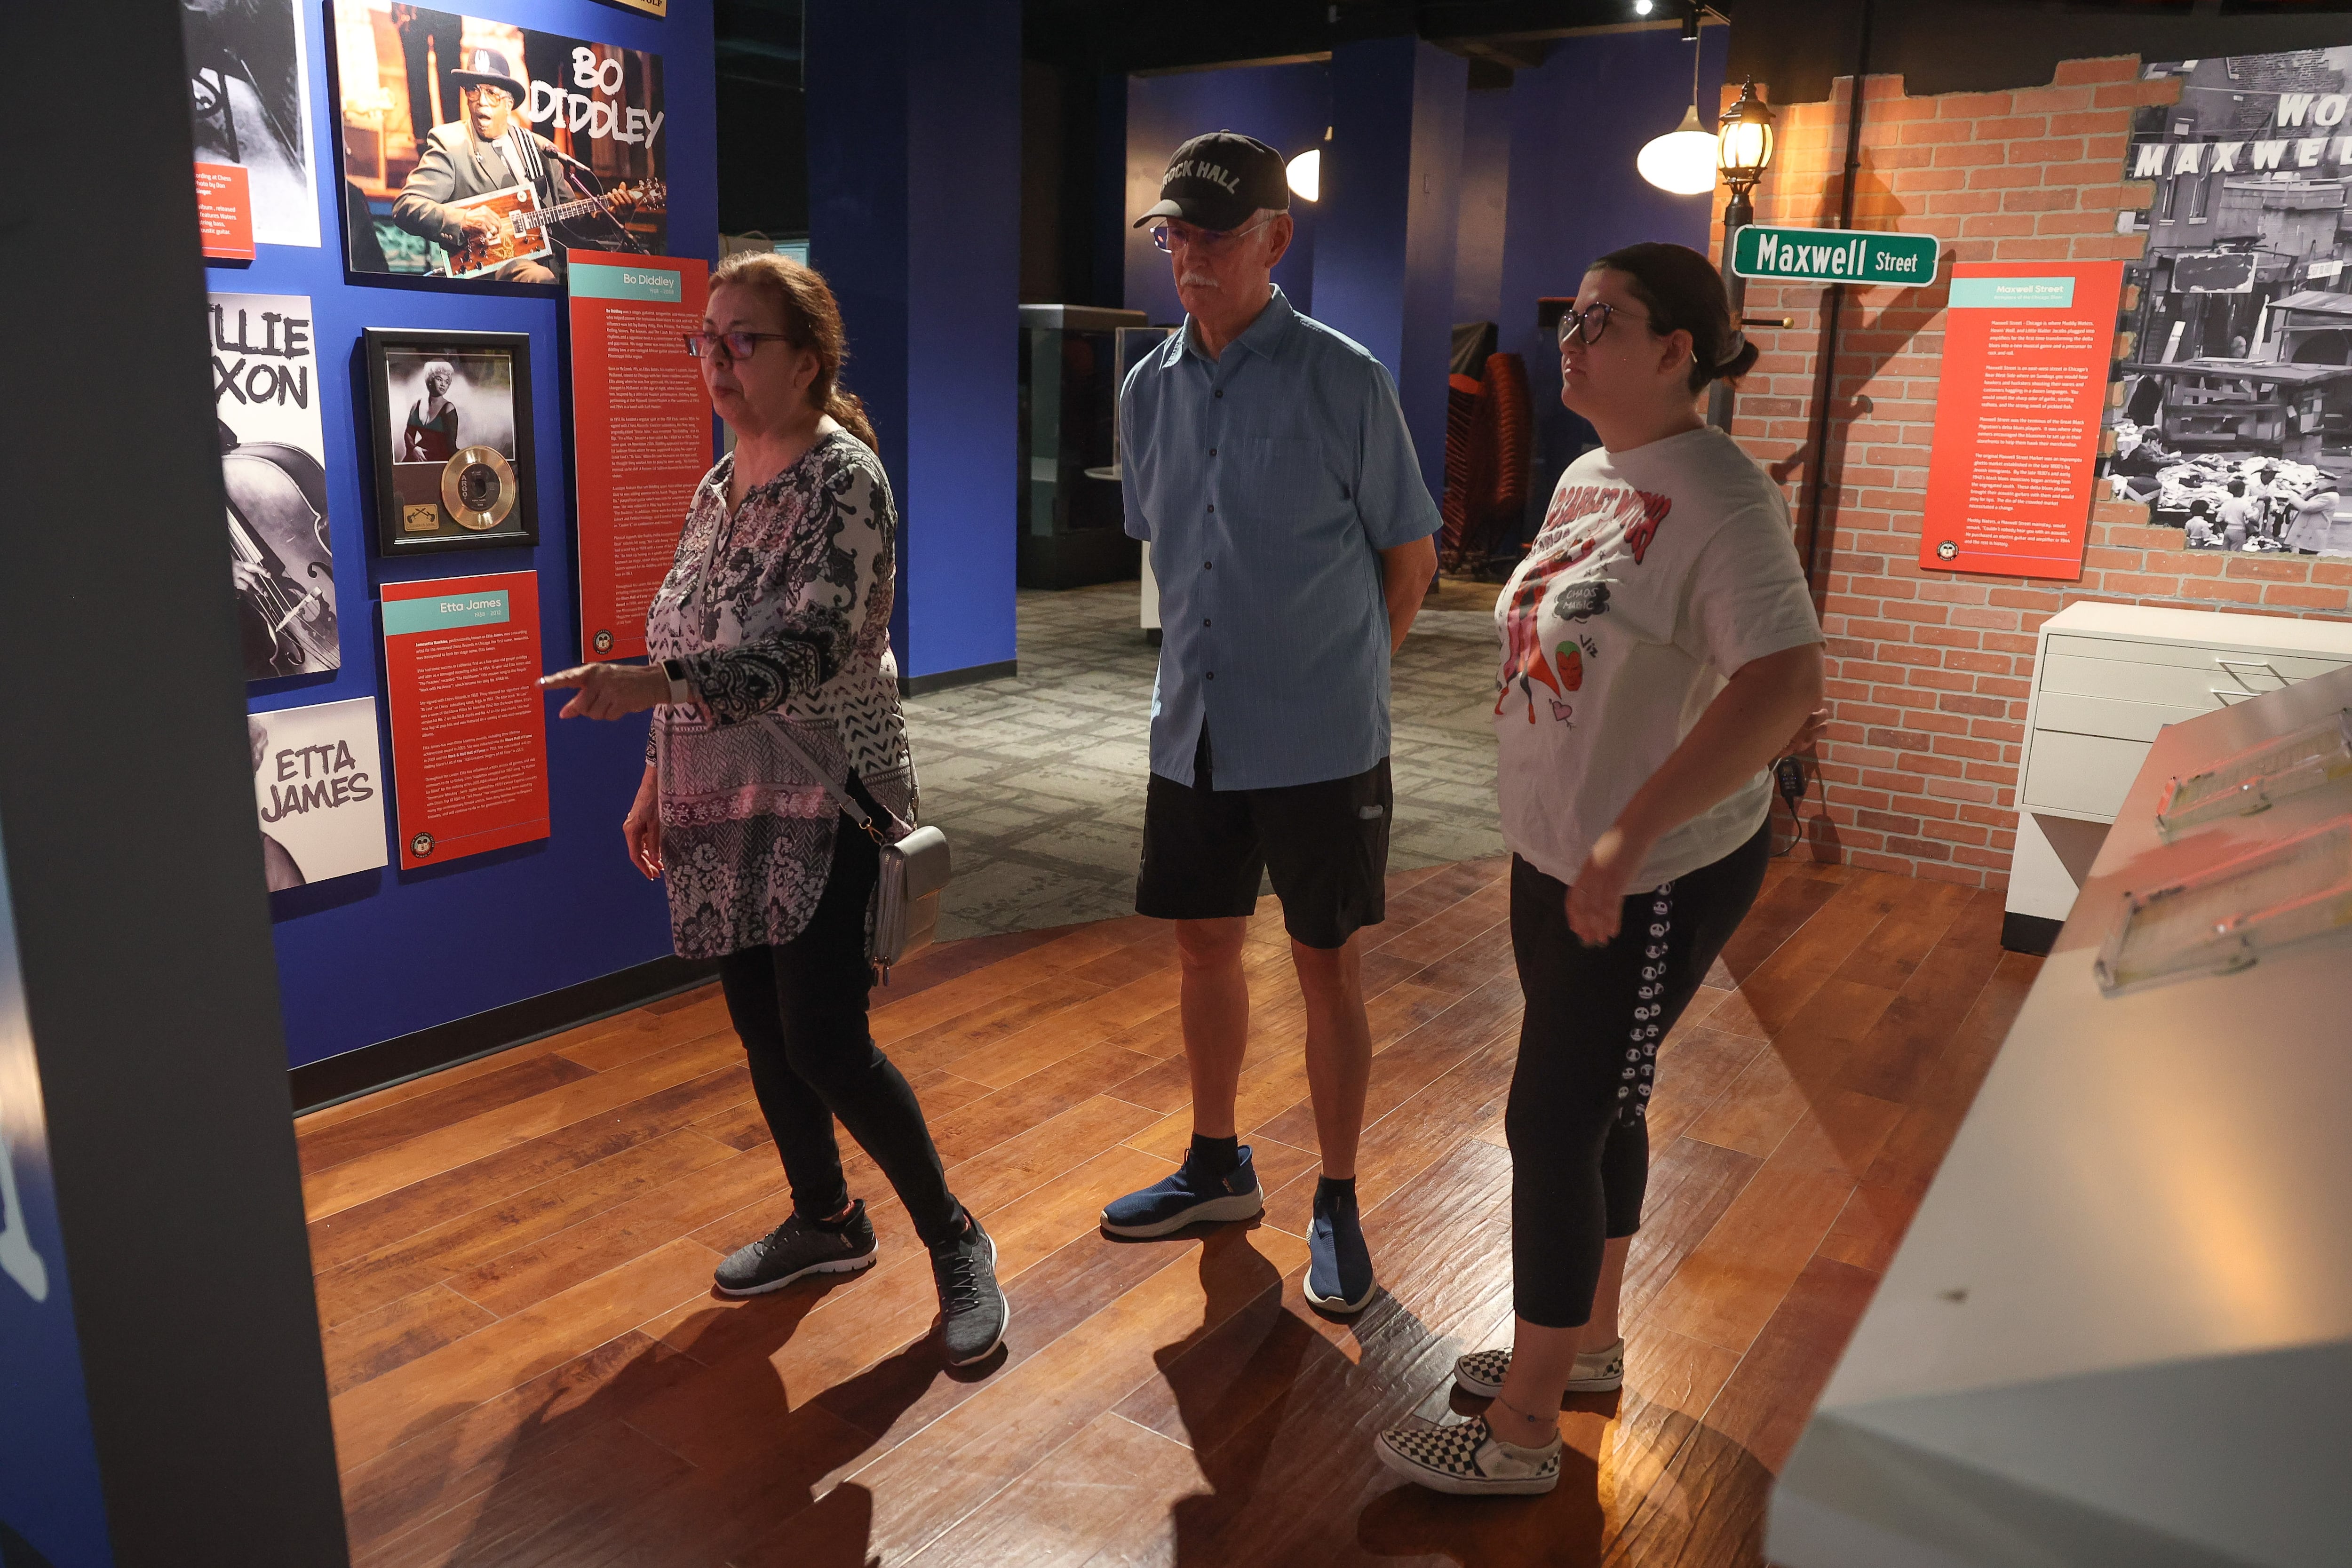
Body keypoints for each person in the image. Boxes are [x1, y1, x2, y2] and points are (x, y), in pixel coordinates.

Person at [1375, 242, 1824, 1496]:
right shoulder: (1588, 467)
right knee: (1598, 1105)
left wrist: (1630, 833)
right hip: (1559, 852)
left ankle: (1522, 1429)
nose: (1569, 338)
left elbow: (1786, 683)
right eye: (1569, 314)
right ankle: (1592, 1345)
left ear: (1678, 351)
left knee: (1553, 1117)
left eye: (1601, 319)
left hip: (1652, 872)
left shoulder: (1723, 495)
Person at [537, 250, 1009, 1367]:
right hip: (719, 798)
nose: (714, 359)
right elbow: (688, 635)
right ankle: (825, 1221)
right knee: (760, 1025)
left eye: (740, 340)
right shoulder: (720, 481)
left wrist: (649, 693)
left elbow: (807, 652)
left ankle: (955, 1238)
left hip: (823, 795)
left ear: (807, 362)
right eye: (705, 338)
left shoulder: (844, 480)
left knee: (826, 1039)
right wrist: (657, 775)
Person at [1097, 131, 1441, 1316]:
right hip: (1190, 728)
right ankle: (1216, 1161)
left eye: (1212, 234)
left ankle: (1336, 1195)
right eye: (1172, 235)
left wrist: (1350, 680)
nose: (1187, 256)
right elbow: (1171, 554)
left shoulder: (1344, 378)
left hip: (1320, 739)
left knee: (1326, 962)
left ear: (1274, 241)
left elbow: (1411, 560)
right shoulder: (1149, 386)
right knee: (1202, 945)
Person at [390, 48, 562, 284]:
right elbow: (407, 206)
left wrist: (607, 214)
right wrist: (462, 221)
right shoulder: (451, 143)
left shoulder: (541, 149)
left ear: (509, 104)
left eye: (491, 93)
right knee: (539, 278)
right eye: (473, 91)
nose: (481, 102)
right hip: (495, 270)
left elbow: (571, 216)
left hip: (557, 260)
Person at [403, 361, 460, 462]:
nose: (443, 385)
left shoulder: (448, 408)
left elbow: (451, 446)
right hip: (418, 455)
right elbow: (409, 433)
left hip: (439, 460)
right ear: (430, 380)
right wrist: (414, 448)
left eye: (447, 382)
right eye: (439, 379)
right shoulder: (417, 404)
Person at [2284, 479, 2340, 555]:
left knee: (2307, 558)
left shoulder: (2329, 497)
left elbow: (2306, 507)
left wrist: (2292, 497)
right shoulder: (2322, 495)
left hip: (2312, 536)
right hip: (2308, 534)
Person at [2216, 478, 2263, 550]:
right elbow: (2251, 517)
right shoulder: (2245, 503)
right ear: (2242, 491)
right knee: (2236, 552)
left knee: (2225, 551)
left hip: (2228, 530)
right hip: (2239, 531)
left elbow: (2219, 519)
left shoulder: (2226, 504)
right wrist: (2256, 512)